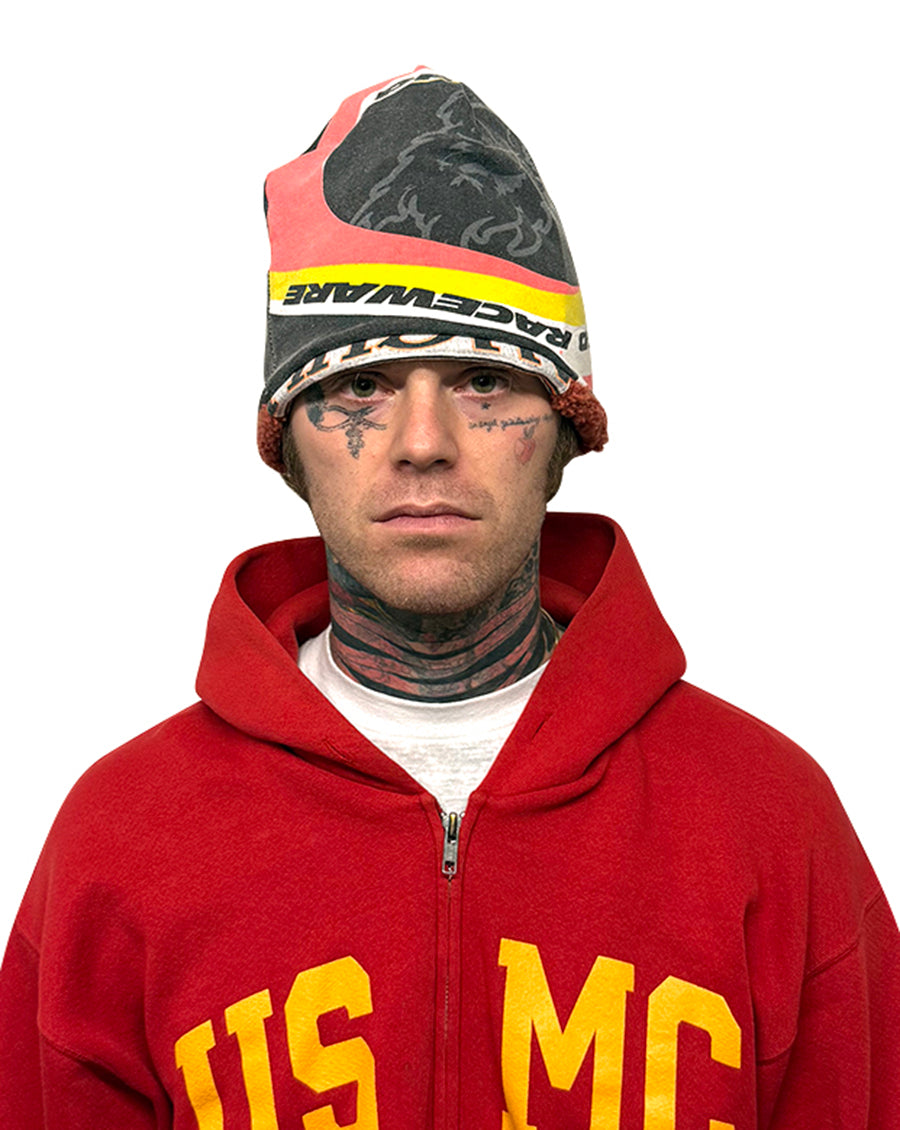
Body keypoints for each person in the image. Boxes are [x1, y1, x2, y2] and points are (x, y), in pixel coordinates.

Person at [1, 66, 897, 1128]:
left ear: (566, 428)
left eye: (484, 381)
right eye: (360, 384)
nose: (423, 443)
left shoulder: (772, 824)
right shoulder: (121, 840)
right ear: (287, 443)